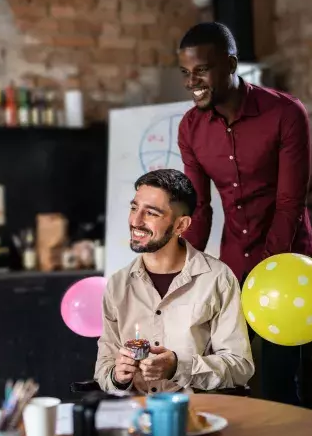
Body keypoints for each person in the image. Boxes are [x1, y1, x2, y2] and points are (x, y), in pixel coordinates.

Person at [176, 22, 312, 406]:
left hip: (287, 264)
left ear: (232, 63)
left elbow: (290, 204)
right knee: (221, 382)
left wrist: (266, 274)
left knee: (277, 384)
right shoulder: (190, 128)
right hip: (233, 265)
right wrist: (178, 270)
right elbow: (200, 208)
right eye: (186, 73)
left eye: (201, 71)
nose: (192, 83)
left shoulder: (285, 113)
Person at [94, 169, 253, 395]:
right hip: (135, 418)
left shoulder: (218, 278)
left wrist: (179, 367)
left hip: (196, 416)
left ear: (181, 225)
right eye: (134, 208)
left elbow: (240, 367)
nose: (135, 221)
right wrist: (117, 377)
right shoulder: (118, 284)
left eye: (151, 213)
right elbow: (103, 368)